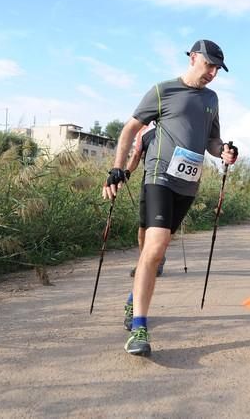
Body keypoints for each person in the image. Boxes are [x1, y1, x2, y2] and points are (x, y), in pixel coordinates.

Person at [102, 39, 238, 356]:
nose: (213, 73)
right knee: (156, 245)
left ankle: (132, 299)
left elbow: (212, 141)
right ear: (193, 58)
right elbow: (129, 130)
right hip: (158, 178)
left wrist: (225, 152)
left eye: (218, 69)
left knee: (156, 250)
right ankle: (139, 329)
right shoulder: (163, 91)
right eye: (209, 65)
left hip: (187, 185)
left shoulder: (212, 99)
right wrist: (117, 169)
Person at [125, 123, 166, 278]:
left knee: (161, 226)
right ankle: (144, 261)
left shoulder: (174, 126)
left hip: (169, 182)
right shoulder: (143, 131)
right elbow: (136, 155)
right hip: (149, 180)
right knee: (143, 225)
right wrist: (126, 172)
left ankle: (157, 259)